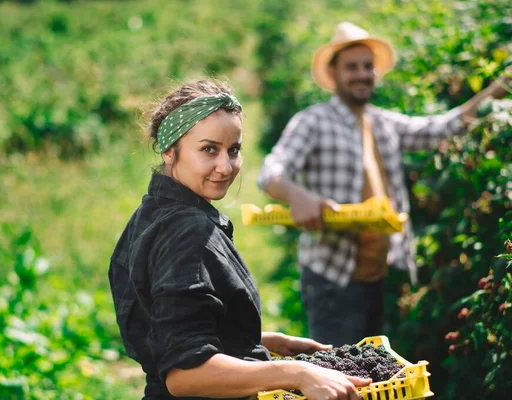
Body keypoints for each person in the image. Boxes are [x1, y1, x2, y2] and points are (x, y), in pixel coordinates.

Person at [108, 79, 371, 400]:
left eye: (233, 150)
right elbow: (185, 374)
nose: (225, 166)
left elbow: (168, 327)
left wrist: (256, 340)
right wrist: (295, 372)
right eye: (208, 149)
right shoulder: (186, 230)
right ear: (169, 150)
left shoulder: (154, 210)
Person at [256, 22, 512, 347]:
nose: (362, 74)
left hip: (379, 274)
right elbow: (270, 171)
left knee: (373, 369)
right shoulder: (312, 122)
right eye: (352, 67)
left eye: (368, 66)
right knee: (339, 372)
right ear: (333, 74)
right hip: (332, 275)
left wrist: (503, 85)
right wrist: (298, 196)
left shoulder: (382, 122)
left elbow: (447, 126)